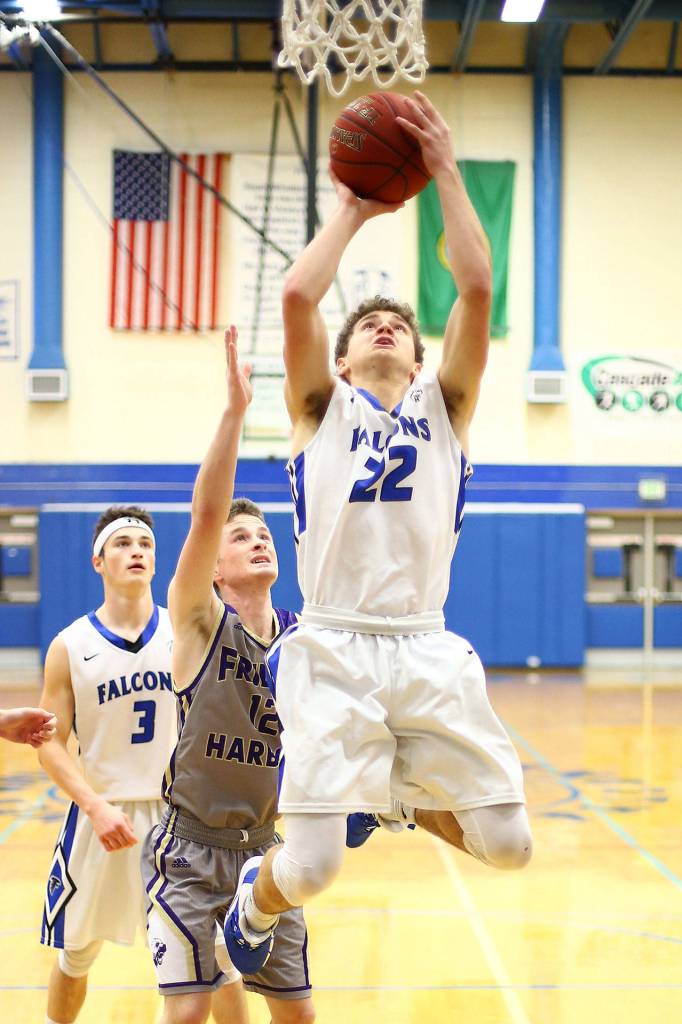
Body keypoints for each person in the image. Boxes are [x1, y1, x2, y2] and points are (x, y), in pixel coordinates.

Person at [224, 91, 532, 973]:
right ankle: (253, 900)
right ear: (343, 357)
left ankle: (393, 798)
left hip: (424, 644)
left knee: (510, 847)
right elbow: (296, 293)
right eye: (366, 325)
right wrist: (356, 209)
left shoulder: (447, 409)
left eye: (396, 323)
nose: (384, 326)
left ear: (420, 357)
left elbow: (476, 286)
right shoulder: (318, 411)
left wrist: (444, 171)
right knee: (312, 870)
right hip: (331, 645)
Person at [140, 327, 315, 1024]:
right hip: (190, 848)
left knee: (298, 1014)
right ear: (214, 567)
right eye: (242, 537)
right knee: (188, 1012)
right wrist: (235, 413)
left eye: (264, 533)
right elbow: (207, 512)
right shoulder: (198, 621)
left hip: (265, 853)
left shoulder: (304, 639)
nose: (258, 538)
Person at [37, 505, 180, 1024]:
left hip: (176, 816)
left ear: (155, 561)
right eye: (122, 544)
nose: (136, 551)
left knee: (193, 961)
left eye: (145, 544)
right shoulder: (69, 645)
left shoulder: (184, 632)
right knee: (75, 955)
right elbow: (49, 743)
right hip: (100, 816)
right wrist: (94, 806)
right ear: (97, 560)